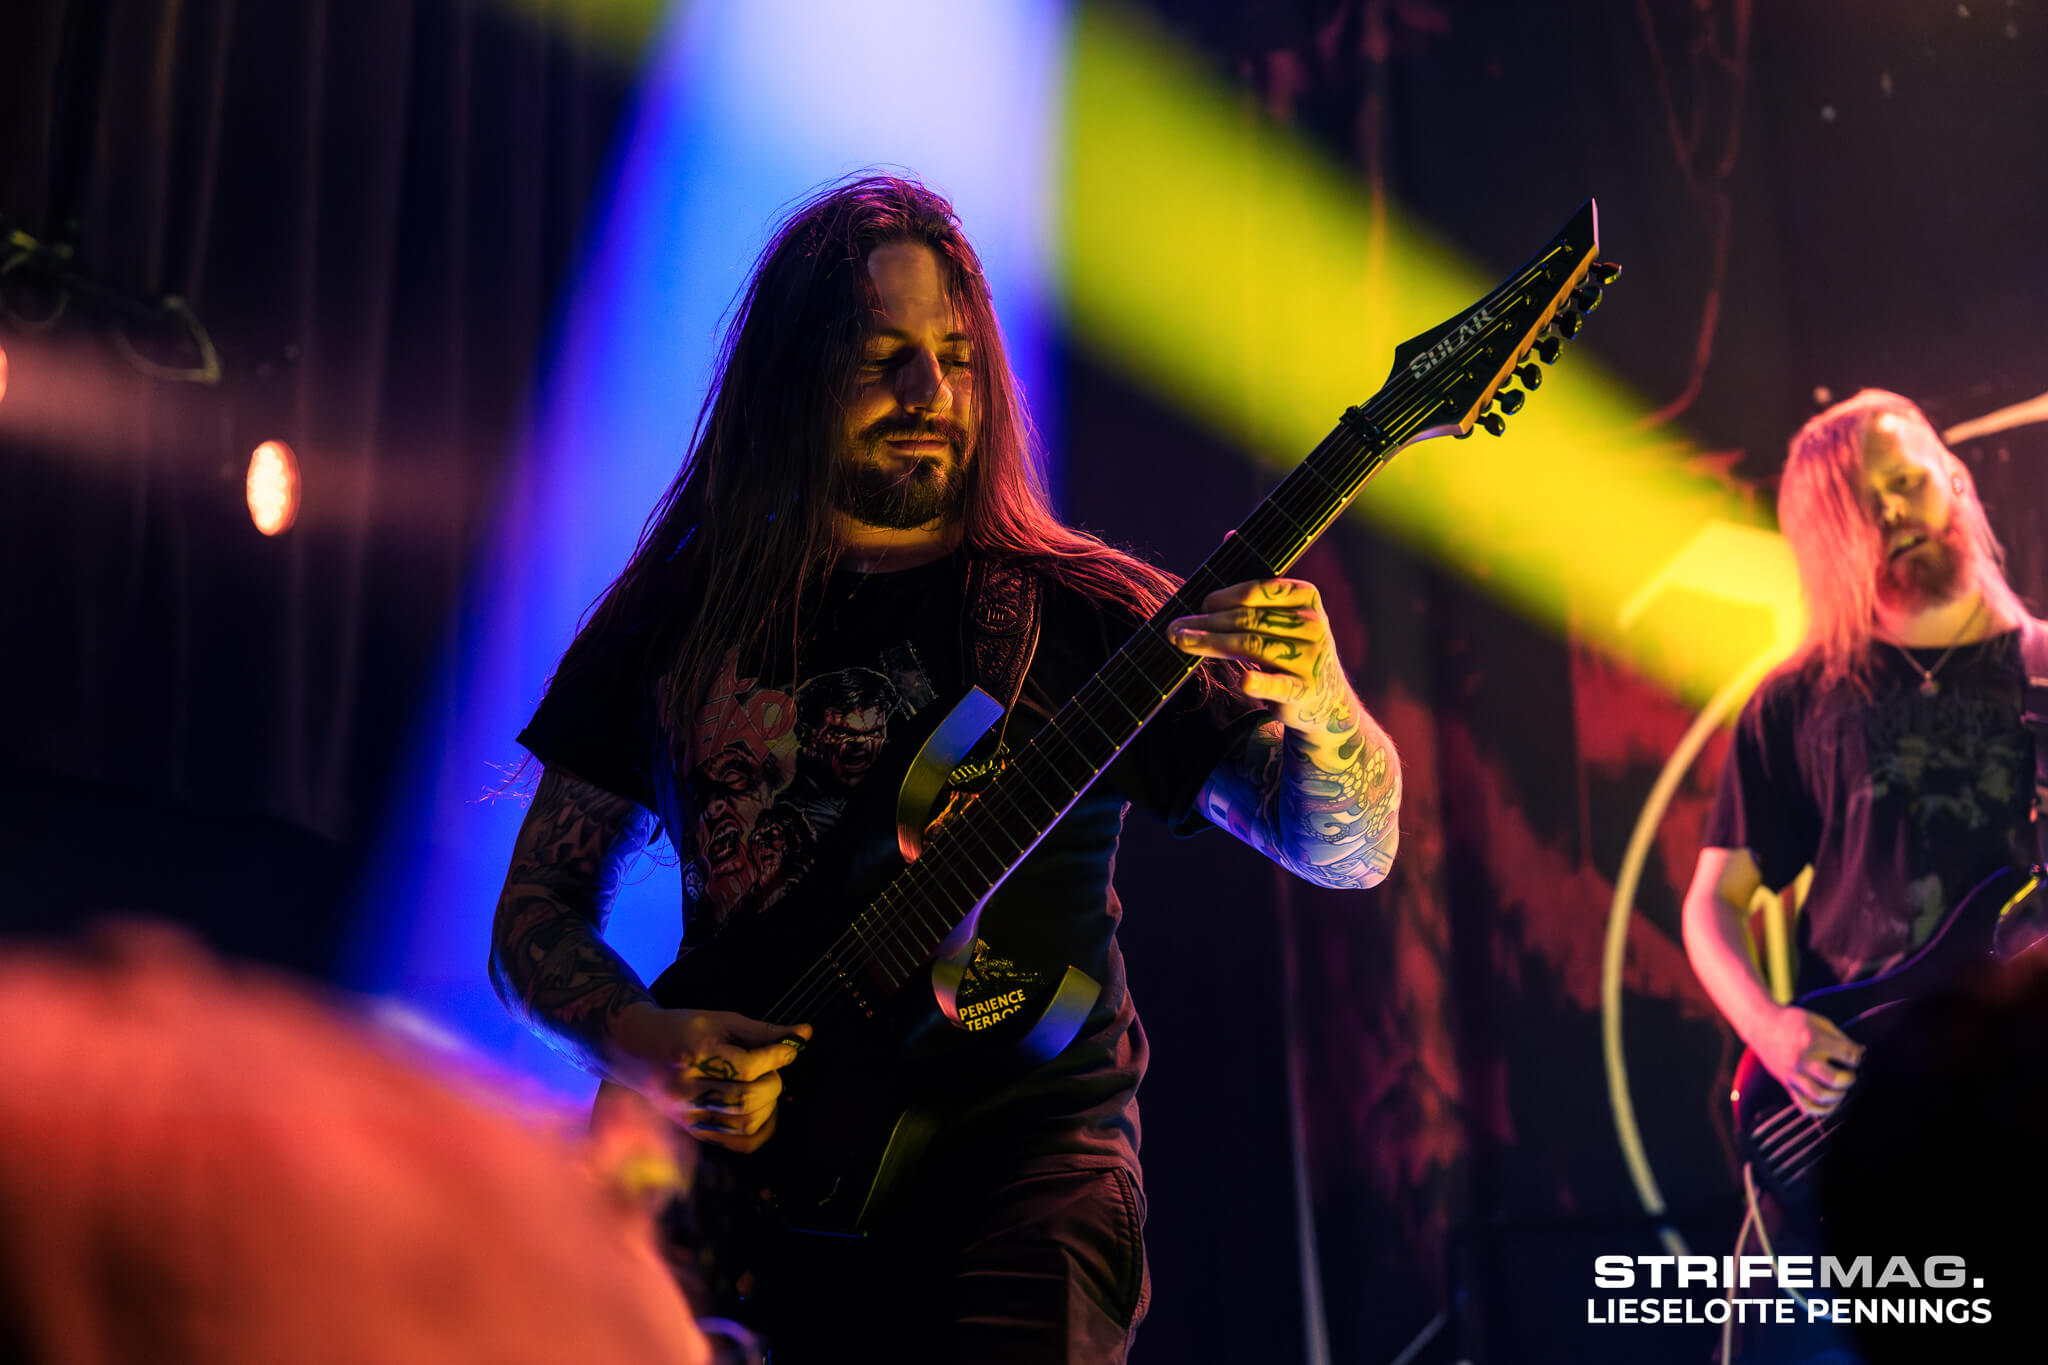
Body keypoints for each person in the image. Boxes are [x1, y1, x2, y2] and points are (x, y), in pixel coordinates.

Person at [486, 174, 1401, 1363]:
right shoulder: (676, 618)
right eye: (881, 358)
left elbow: (1347, 848)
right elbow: (535, 912)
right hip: (738, 1201)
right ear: (792, 378)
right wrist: (640, 1040)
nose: (928, 394)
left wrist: (1319, 700)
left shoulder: (1082, 615)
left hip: (1018, 1176)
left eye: (956, 359)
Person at [1681, 388, 2045, 1363]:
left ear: (1952, 480)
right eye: (1860, 508)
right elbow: (1707, 907)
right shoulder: (1795, 703)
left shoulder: (2040, 673)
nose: (1893, 514)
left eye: (1903, 482)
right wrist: (1769, 1028)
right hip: (1854, 1123)